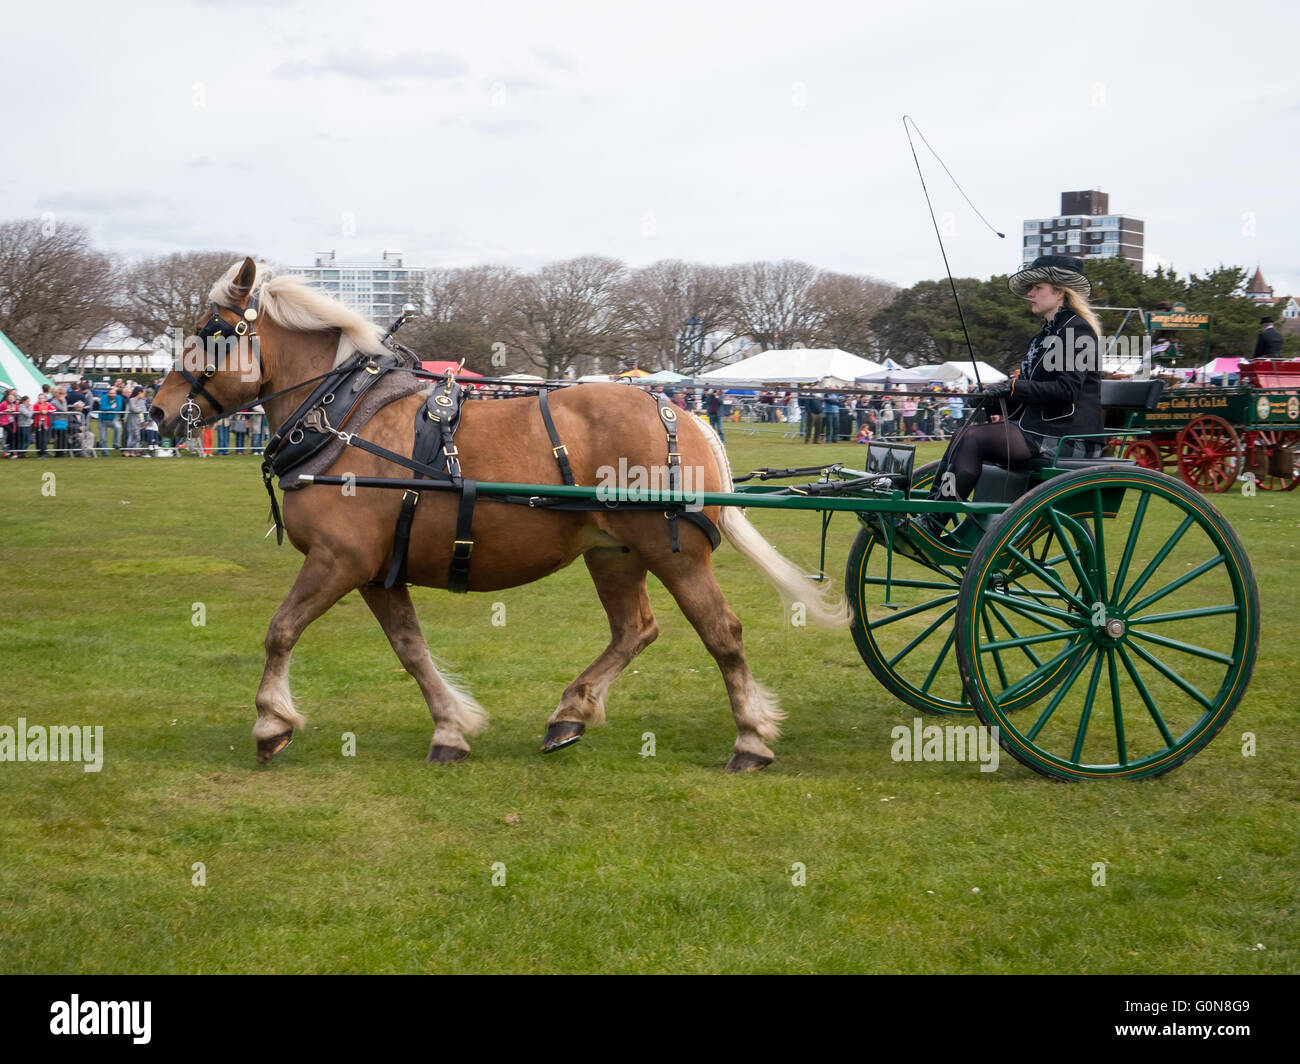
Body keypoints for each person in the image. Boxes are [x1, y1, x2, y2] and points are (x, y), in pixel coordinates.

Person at [916, 254, 1103, 538]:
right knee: (963, 433)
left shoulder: (1076, 331)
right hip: (1037, 429)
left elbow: (1066, 391)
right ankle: (933, 512)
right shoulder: (1043, 337)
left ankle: (934, 521)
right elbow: (1030, 391)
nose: (1030, 293)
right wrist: (994, 397)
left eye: (1037, 287)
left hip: (1066, 439)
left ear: (1060, 291)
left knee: (973, 439)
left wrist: (1012, 387)